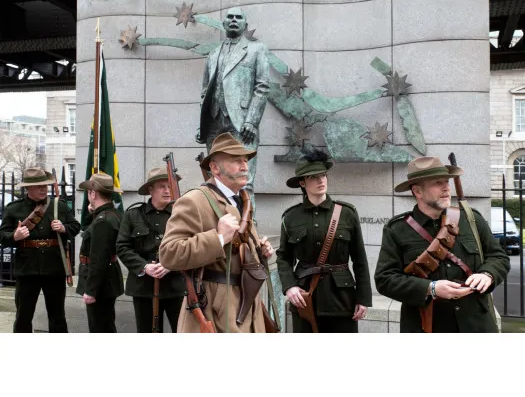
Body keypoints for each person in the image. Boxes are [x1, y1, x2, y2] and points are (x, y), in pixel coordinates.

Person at [374, 156, 511, 333]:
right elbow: (385, 279)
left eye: (447, 181)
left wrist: (488, 274)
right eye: (437, 183)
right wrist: (430, 288)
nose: (446, 188)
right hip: (427, 326)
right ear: (418, 191)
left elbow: (498, 256)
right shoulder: (397, 229)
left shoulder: (471, 219)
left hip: (476, 323)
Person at [159, 132, 274, 333]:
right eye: (236, 161)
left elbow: (239, 251)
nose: (244, 166)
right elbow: (169, 254)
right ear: (214, 167)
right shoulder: (195, 200)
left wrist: (259, 251)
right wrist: (218, 238)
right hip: (215, 311)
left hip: (248, 308)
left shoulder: (242, 200)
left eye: (245, 160)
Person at [276, 149, 372, 333]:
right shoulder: (291, 217)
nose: (321, 181)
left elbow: (360, 259)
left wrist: (363, 298)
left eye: (323, 175)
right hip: (305, 298)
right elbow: (283, 257)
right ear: (302, 183)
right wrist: (290, 286)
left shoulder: (347, 213)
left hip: (342, 299)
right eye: (313, 177)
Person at [195, 7, 270, 197]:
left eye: (239, 17)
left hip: (242, 122)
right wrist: (201, 124)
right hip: (213, 120)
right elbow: (205, 92)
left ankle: (247, 224)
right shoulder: (213, 54)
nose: (234, 20)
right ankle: (218, 220)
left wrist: (252, 120)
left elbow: (262, 87)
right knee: (214, 177)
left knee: (244, 179)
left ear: (245, 24)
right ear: (224, 23)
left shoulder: (256, 49)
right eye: (230, 17)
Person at [0, 167, 80, 333]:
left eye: (45, 185)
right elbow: (2, 235)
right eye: (39, 186)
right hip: (27, 269)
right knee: (23, 317)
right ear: (28, 188)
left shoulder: (59, 206)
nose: (44, 189)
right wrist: (15, 236)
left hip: (54, 268)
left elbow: (75, 227)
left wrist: (63, 228)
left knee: (57, 317)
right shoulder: (14, 209)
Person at [116, 167, 186, 333]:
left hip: (176, 285)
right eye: (162, 186)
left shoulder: (181, 214)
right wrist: (144, 267)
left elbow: (190, 245)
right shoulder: (133, 215)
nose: (167, 190)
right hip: (144, 288)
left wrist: (171, 265)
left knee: (182, 330)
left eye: (170, 186)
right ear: (150, 189)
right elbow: (122, 246)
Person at [76, 173, 124, 333]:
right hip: (106, 280)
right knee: (105, 324)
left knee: (100, 327)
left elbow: (98, 259)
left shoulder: (103, 220)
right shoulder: (111, 214)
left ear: (93, 193)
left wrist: (91, 290)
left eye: (89, 191)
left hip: (101, 284)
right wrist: (93, 212)